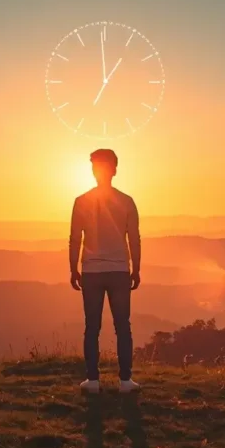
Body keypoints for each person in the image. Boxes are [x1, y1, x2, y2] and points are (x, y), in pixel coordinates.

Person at [69, 148, 141, 393]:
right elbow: (134, 239)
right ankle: (125, 381)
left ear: (93, 170)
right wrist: (136, 269)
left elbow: (75, 238)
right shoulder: (127, 201)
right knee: (123, 325)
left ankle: (92, 380)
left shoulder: (81, 201)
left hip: (91, 271)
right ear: (115, 169)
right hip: (120, 270)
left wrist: (73, 269)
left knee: (92, 326)